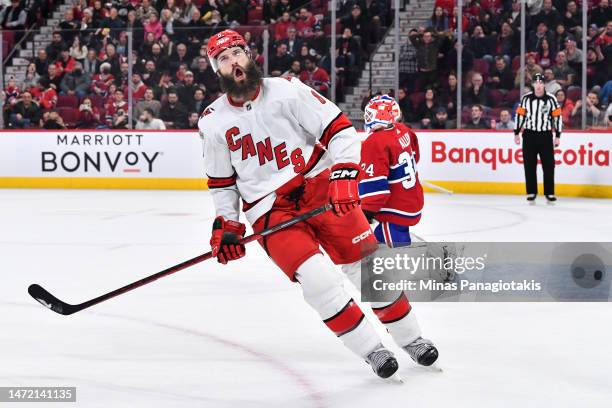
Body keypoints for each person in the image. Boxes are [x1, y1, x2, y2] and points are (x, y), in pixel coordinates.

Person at [199, 30, 417, 379]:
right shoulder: (212, 122)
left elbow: (340, 129)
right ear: (216, 70)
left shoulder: (287, 90)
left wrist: (345, 175)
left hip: (320, 188)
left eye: (237, 53)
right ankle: (371, 350)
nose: (233, 62)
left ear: (249, 56)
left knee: (370, 270)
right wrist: (228, 225)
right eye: (223, 59)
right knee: (317, 281)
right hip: (271, 211)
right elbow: (222, 183)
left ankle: (412, 338)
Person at [358, 94, 440, 365]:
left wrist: (365, 214)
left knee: (391, 254)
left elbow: (377, 190)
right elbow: (414, 155)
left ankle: (435, 262)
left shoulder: (374, 142)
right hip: (411, 199)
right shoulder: (404, 131)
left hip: (394, 208)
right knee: (381, 254)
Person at [514, 73, 562, 203]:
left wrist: (557, 135)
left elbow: (557, 117)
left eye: (541, 83)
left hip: (545, 135)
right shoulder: (525, 99)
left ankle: (549, 193)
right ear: (533, 84)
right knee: (529, 165)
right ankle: (531, 192)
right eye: (537, 83)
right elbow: (520, 116)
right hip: (529, 135)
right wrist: (516, 133)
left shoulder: (551, 99)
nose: (539, 86)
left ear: (544, 84)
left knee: (549, 165)